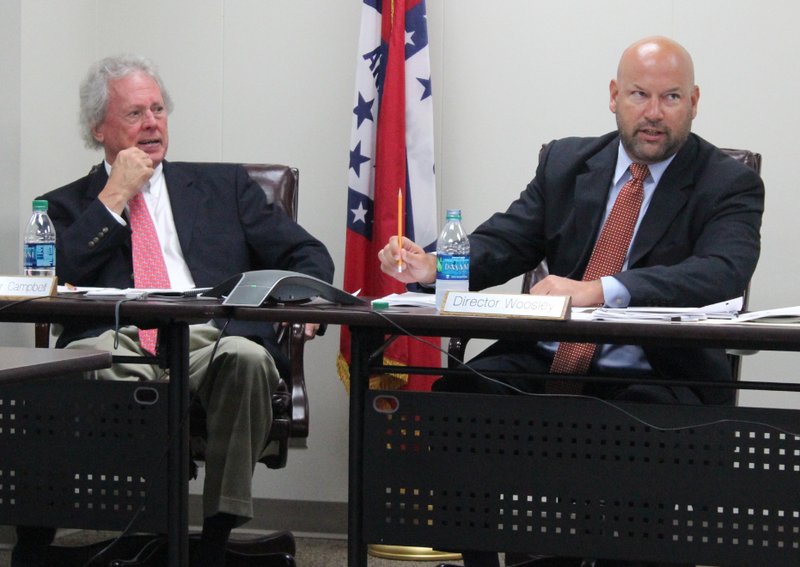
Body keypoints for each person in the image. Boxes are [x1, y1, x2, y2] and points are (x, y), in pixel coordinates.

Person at [378, 36, 764, 567]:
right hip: (547, 358)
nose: (653, 114)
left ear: (694, 101)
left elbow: (722, 273)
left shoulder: (728, 183)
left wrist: (600, 290)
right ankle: (486, 558)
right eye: (638, 95)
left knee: (635, 439)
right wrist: (435, 265)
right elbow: (506, 241)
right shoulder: (566, 161)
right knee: (459, 398)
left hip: (655, 373)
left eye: (671, 97)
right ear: (613, 96)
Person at [11, 54, 334, 567]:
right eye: (134, 113)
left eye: (158, 110)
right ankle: (93, 524)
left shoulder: (224, 188)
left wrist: (305, 304)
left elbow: (308, 255)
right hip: (115, 341)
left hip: (210, 336)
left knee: (248, 359)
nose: (151, 124)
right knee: (70, 372)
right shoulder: (64, 207)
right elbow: (48, 281)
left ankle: (215, 536)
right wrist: (115, 195)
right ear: (99, 128)